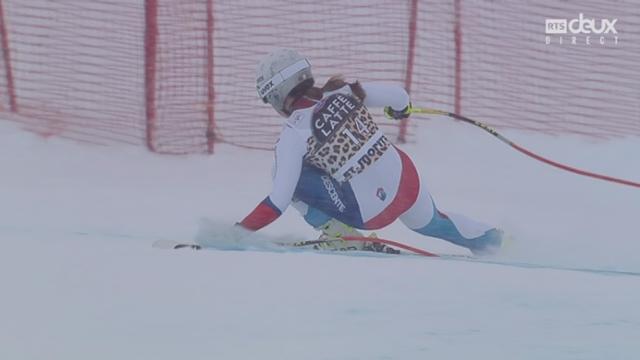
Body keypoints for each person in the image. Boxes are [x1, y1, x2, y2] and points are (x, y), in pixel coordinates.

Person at [237, 49, 502, 255]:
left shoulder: (292, 134)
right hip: (407, 182)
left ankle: (340, 236)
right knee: (432, 223)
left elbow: (278, 200)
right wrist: (401, 110)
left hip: (371, 213)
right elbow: (399, 96)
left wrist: (237, 232)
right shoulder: (343, 91)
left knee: (283, 173)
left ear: (277, 95)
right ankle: (495, 241)